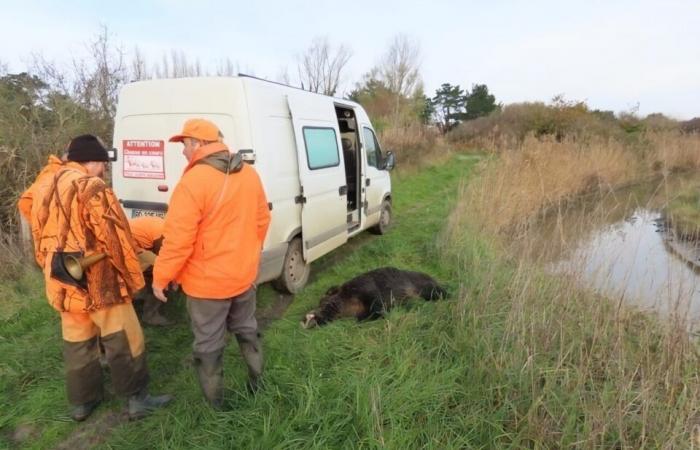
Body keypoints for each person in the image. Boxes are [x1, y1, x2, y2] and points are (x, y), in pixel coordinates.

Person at [30, 134, 172, 421]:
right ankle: (137, 400)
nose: (104, 170)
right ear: (92, 161)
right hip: (99, 282)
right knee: (125, 339)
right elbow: (116, 240)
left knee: (78, 342)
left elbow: (37, 235)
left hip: (61, 280)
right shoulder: (91, 186)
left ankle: (83, 403)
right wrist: (134, 282)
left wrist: (50, 268)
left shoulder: (44, 185)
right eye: (102, 164)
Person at [152, 119, 271, 409]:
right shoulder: (250, 174)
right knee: (246, 329)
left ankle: (217, 408)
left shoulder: (193, 182)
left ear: (200, 144)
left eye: (185, 144)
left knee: (208, 344)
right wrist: (247, 257)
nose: (183, 151)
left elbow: (178, 240)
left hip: (207, 286)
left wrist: (160, 278)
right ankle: (258, 383)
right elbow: (262, 221)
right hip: (244, 277)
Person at [18, 152, 66, 266]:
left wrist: (39, 228)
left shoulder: (49, 174)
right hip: (62, 249)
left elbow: (24, 203)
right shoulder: (62, 178)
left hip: (49, 249)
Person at [128, 216, 173, 326]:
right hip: (127, 244)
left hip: (131, 242)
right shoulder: (163, 235)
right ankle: (151, 315)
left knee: (152, 269)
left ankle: (137, 303)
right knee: (161, 273)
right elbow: (163, 263)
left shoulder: (165, 227)